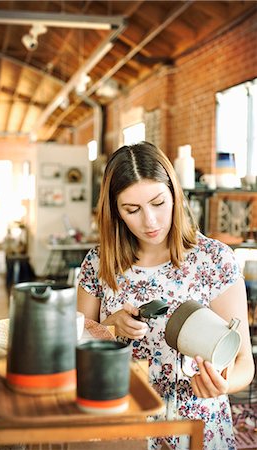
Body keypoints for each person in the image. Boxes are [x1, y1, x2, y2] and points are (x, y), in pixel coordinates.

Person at [77, 142, 255, 450]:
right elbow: (73, 352)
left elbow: (243, 363)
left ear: (174, 193)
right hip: (123, 425)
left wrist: (223, 385)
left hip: (197, 427)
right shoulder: (98, 263)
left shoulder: (214, 259)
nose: (150, 222)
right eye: (132, 210)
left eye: (158, 202)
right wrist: (109, 327)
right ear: (115, 211)